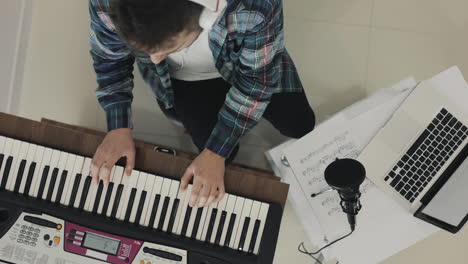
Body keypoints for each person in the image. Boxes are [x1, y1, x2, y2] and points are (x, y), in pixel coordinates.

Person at [88, 0, 315, 209]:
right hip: (183, 81)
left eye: (169, 48)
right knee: (223, 153)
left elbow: (257, 81)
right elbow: (109, 58)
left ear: (207, 16)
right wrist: (118, 126)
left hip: (253, 64)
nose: (155, 60)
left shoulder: (255, 6)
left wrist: (216, 152)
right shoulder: (106, 3)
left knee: (300, 124)